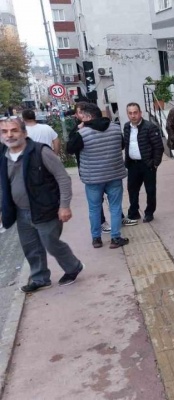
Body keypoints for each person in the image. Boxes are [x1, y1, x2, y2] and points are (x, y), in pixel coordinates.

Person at [0, 116, 84, 293]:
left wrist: (64, 205)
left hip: (45, 209)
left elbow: (63, 178)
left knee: (50, 243)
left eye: (14, 130)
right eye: (4, 131)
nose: (9, 135)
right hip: (21, 212)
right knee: (30, 246)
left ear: (23, 132)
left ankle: (73, 266)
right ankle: (40, 278)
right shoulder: (3, 155)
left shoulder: (40, 152)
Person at [67, 103, 134, 234]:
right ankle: (116, 237)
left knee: (94, 208)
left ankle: (96, 238)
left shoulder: (82, 133)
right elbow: (121, 146)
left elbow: (69, 149)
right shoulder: (115, 128)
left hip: (93, 178)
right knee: (115, 207)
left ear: (88, 117)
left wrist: (77, 130)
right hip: (114, 174)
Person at [123, 103, 164, 223]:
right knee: (132, 189)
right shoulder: (127, 127)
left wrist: (155, 163)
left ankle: (149, 212)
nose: (133, 115)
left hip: (147, 164)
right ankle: (134, 212)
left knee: (150, 190)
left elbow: (159, 147)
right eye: (130, 113)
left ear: (140, 113)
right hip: (132, 164)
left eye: (135, 112)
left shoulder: (150, 127)